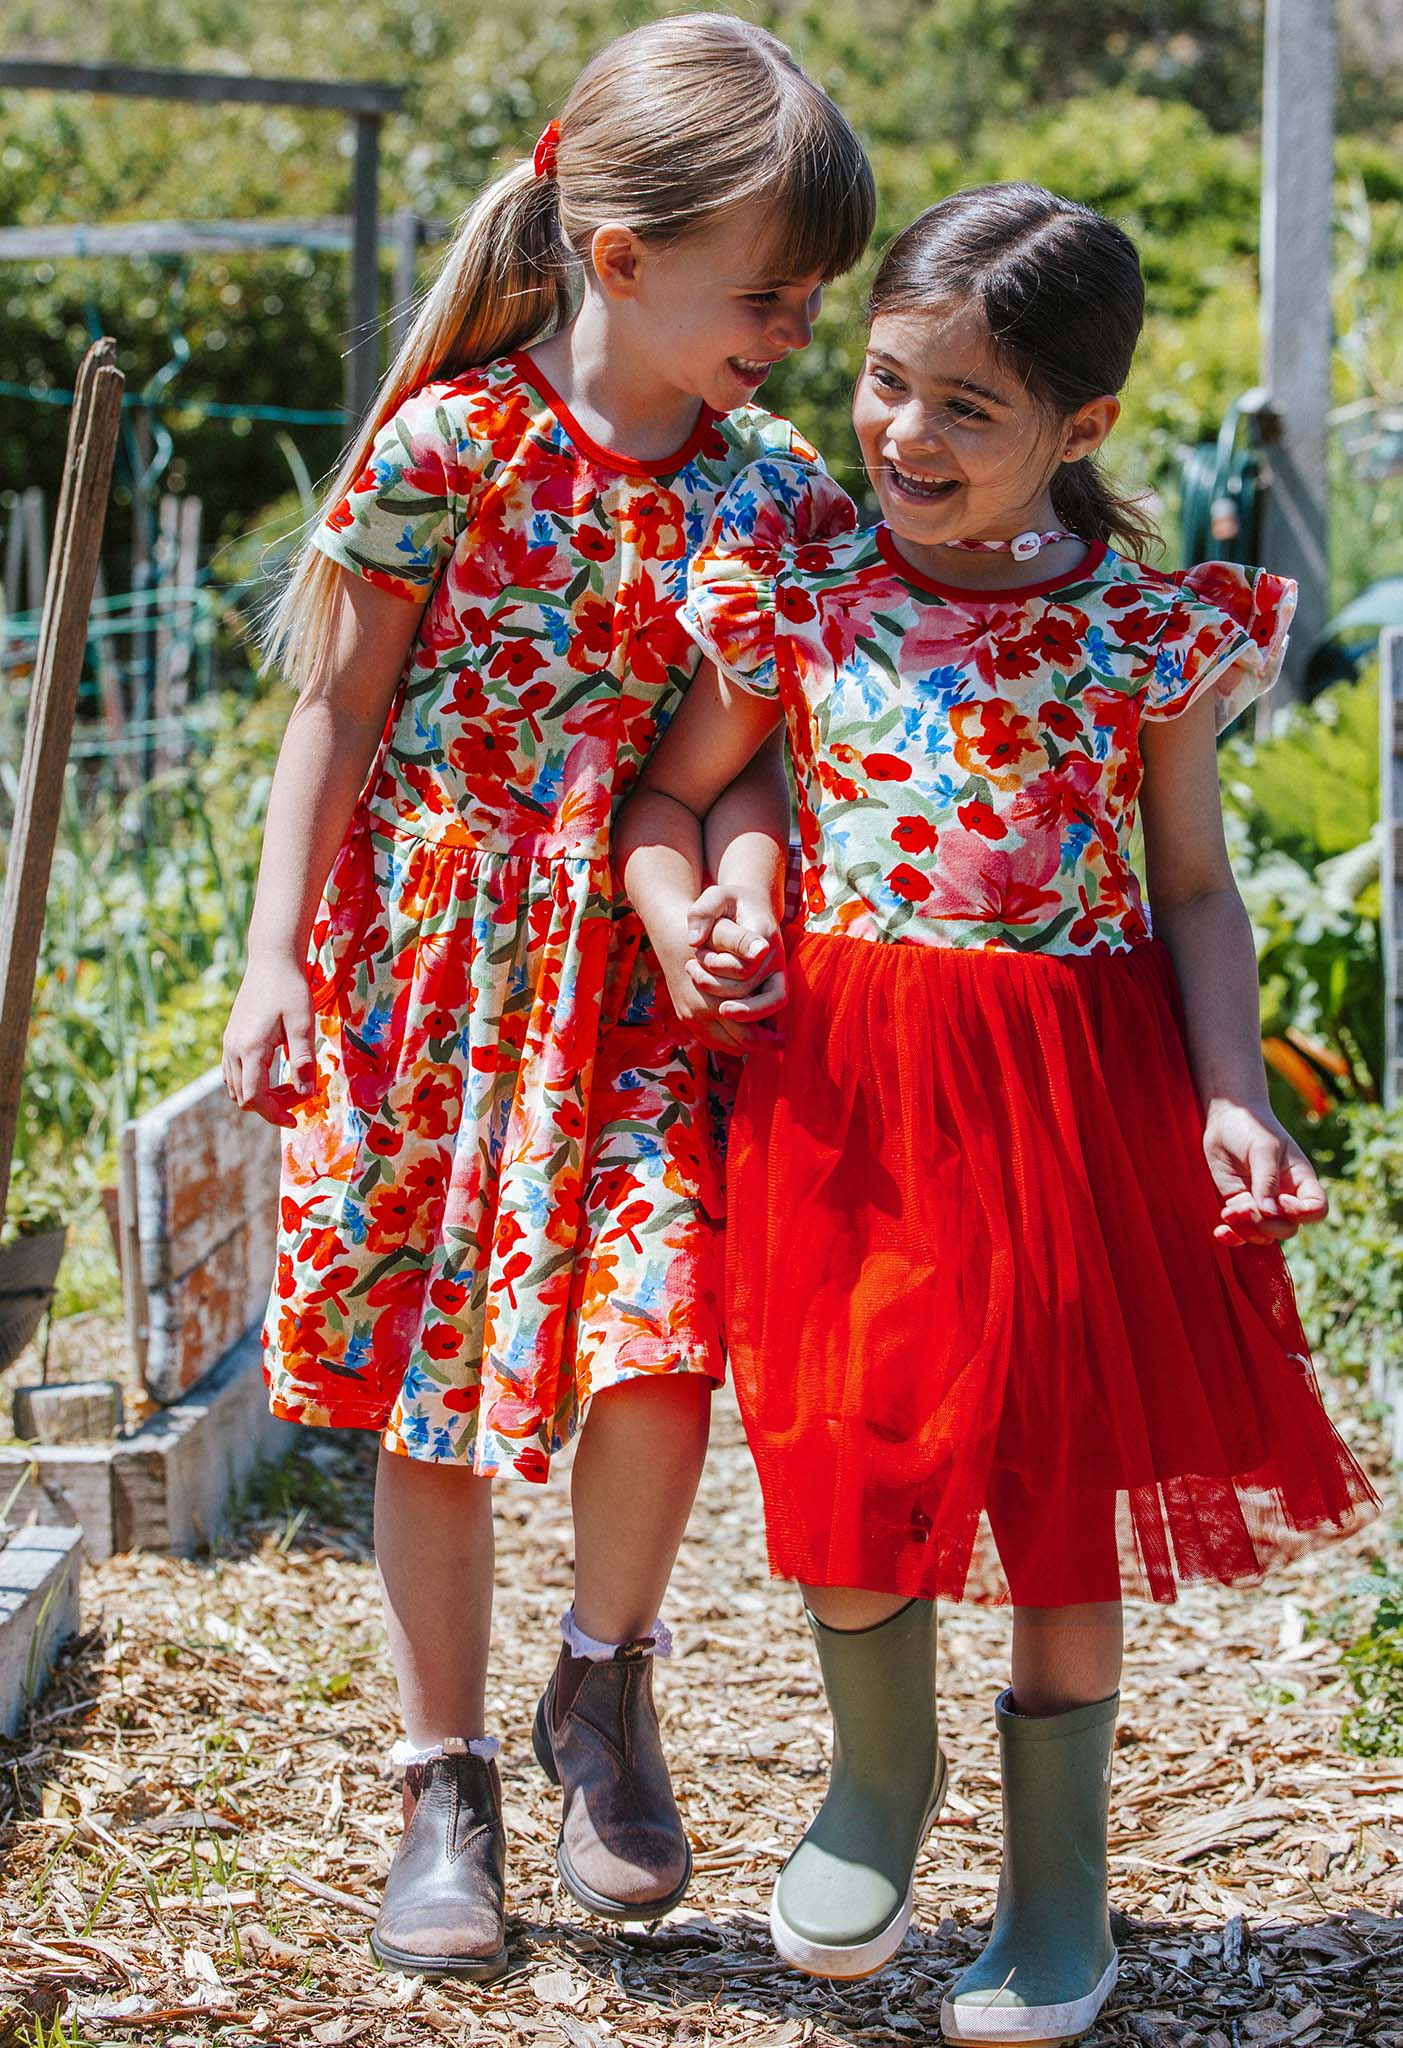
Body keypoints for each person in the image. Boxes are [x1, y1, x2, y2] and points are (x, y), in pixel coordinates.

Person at [614, 183, 1378, 2044]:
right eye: (890, 384)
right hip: (851, 1095)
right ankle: (879, 1786)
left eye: (970, 407)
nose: (907, 434)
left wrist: (1230, 1100)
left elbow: (1194, 890)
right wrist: (700, 907)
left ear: (1081, 428)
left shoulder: (1146, 632)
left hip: (1070, 1091)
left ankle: (1061, 1900)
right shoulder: (800, 605)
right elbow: (669, 802)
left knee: (1053, 1478)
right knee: (842, 1433)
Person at [220, 13, 873, 1981]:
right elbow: (336, 705)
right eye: (769, 291)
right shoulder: (455, 444)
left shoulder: (767, 493)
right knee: (429, 1377)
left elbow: (741, 751)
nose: (796, 328)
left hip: (633, 987)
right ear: (619, 257)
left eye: (811, 294)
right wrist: (268, 960)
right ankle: (444, 1779)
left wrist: (735, 893)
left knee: (656, 1337)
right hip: (424, 969)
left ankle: (604, 1687)